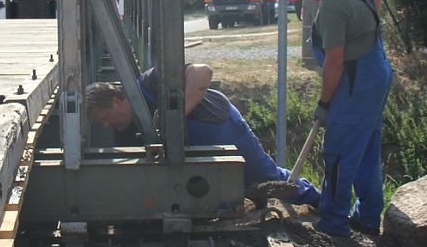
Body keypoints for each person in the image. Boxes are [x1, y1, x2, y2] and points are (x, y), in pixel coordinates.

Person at [86, 63, 321, 207]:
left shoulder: (150, 83)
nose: (106, 125)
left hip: (219, 124)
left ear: (117, 100)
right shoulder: (123, 136)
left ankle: (322, 202)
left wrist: (174, 120)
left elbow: (203, 73)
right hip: (196, 154)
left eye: (105, 117)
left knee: (267, 177)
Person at [293, 0, 393, 237]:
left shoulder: (334, 6)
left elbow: (334, 64)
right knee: (365, 148)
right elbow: (374, 2)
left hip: (355, 79)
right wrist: (360, 33)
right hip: (377, 68)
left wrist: (325, 103)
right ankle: (368, 217)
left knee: (337, 152)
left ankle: (334, 221)